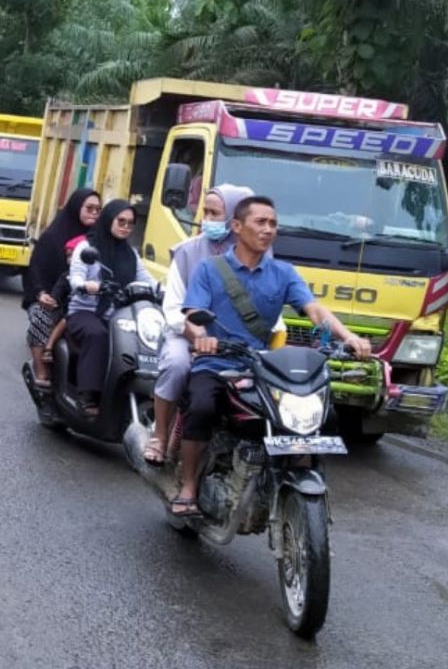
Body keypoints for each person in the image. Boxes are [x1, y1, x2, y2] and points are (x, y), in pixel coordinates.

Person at [170, 196, 371, 517]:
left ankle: (299, 482)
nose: (268, 230)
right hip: (218, 362)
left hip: (261, 365)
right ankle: (189, 485)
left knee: (315, 414)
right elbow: (194, 313)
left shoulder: (283, 272)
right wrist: (202, 337)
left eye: (273, 224)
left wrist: (349, 337)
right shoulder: (210, 269)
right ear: (237, 227)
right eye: (260, 222)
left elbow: (315, 310)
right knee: (202, 406)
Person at [143, 183, 265, 465]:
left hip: (236, 342)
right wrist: (196, 335)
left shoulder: (259, 254)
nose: (206, 219)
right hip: (186, 335)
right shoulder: (187, 252)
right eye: (205, 212)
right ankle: (160, 436)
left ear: (236, 219)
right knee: (176, 365)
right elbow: (173, 309)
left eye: (214, 213)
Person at [66, 199, 154, 415]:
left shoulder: (130, 254)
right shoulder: (87, 248)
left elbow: (148, 280)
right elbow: (75, 277)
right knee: (98, 334)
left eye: (130, 223)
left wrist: (170, 293)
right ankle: (88, 396)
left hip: (118, 314)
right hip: (84, 312)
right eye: (121, 221)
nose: (125, 227)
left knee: (140, 342)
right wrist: (88, 285)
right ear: (108, 220)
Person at [23, 188, 101, 384]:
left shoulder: (100, 240)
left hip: (89, 302)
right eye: (89, 208)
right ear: (76, 208)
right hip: (54, 300)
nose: (94, 213)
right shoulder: (52, 237)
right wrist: (41, 294)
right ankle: (41, 372)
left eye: (98, 210)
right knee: (40, 318)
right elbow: (36, 270)